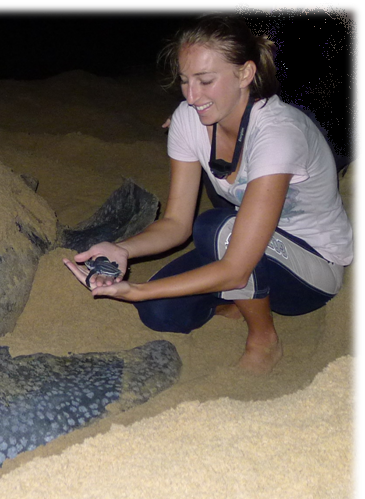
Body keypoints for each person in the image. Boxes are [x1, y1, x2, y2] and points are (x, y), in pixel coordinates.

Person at [63, 11, 354, 375]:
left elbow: (234, 269)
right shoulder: (189, 119)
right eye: (185, 81)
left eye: (205, 81)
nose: (192, 95)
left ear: (245, 74)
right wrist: (123, 249)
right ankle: (242, 301)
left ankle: (263, 339)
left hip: (311, 269)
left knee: (214, 228)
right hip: (244, 244)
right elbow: (175, 223)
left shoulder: (278, 133)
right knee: (159, 312)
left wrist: (136, 289)